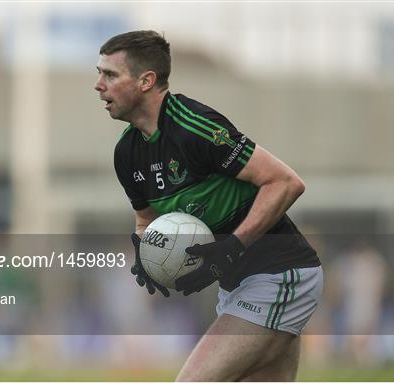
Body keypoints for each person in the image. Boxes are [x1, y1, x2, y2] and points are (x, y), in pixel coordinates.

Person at [94, 30, 323, 381]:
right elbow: (146, 218)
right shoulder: (127, 153)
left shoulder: (195, 128)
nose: (98, 85)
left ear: (146, 81)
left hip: (279, 273)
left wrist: (234, 245)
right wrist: (146, 251)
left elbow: (285, 182)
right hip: (236, 286)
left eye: (110, 74)